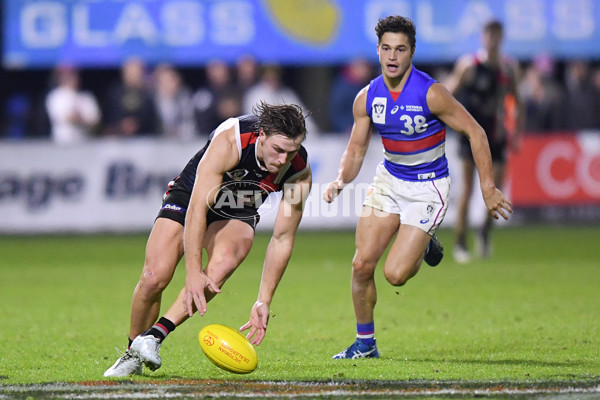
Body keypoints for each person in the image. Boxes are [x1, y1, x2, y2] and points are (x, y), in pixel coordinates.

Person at [323, 15, 512, 359]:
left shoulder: (432, 93)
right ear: (378, 51)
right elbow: (356, 148)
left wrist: (488, 187)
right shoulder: (366, 98)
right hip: (389, 181)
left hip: (427, 187)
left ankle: (424, 243)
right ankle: (365, 345)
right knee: (362, 265)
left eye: (400, 49)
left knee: (395, 275)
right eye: (386, 49)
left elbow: (476, 132)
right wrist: (341, 180)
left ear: (411, 52)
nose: (392, 56)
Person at [104, 101, 312, 377]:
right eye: (278, 150)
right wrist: (192, 272)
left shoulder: (299, 173)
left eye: (291, 151)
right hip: (191, 196)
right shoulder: (231, 140)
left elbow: (283, 238)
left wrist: (263, 300)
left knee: (227, 260)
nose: (283, 160)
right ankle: (132, 353)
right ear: (261, 135)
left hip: (238, 208)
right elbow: (197, 210)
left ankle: (153, 337)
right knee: (155, 276)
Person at [444, 20, 522, 263]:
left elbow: (516, 102)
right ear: (482, 37)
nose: (492, 39)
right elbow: (447, 95)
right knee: (468, 188)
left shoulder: (509, 69)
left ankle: (485, 232)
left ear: (502, 37)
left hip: (495, 135)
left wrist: (517, 131)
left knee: (495, 189)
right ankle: (460, 242)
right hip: (469, 135)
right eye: (489, 34)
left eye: (496, 34)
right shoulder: (469, 66)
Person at [103, 57, 159, 137]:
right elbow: (109, 115)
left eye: (137, 72)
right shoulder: (114, 93)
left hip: (144, 138)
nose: (134, 75)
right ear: (124, 73)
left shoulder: (148, 94)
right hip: (118, 137)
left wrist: (137, 123)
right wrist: (122, 124)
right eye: (131, 72)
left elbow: (152, 118)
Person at [45, 65, 101, 144]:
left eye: (74, 75)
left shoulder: (86, 97)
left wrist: (79, 119)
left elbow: (95, 121)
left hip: (84, 142)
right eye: (67, 76)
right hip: (62, 143)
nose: (71, 78)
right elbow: (62, 118)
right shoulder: (55, 96)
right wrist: (80, 119)